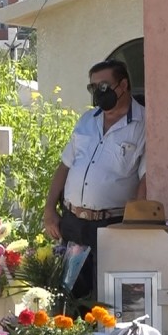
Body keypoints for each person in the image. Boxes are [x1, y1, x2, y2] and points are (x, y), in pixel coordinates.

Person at [43, 59, 147, 299]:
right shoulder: (87, 121)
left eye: (103, 86)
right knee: (68, 297)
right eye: (92, 88)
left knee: (107, 300)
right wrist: (49, 209)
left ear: (123, 85)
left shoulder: (144, 125)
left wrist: (137, 227)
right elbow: (64, 166)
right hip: (72, 225)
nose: (98, 93)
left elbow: (147, 178)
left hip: (111, 226)